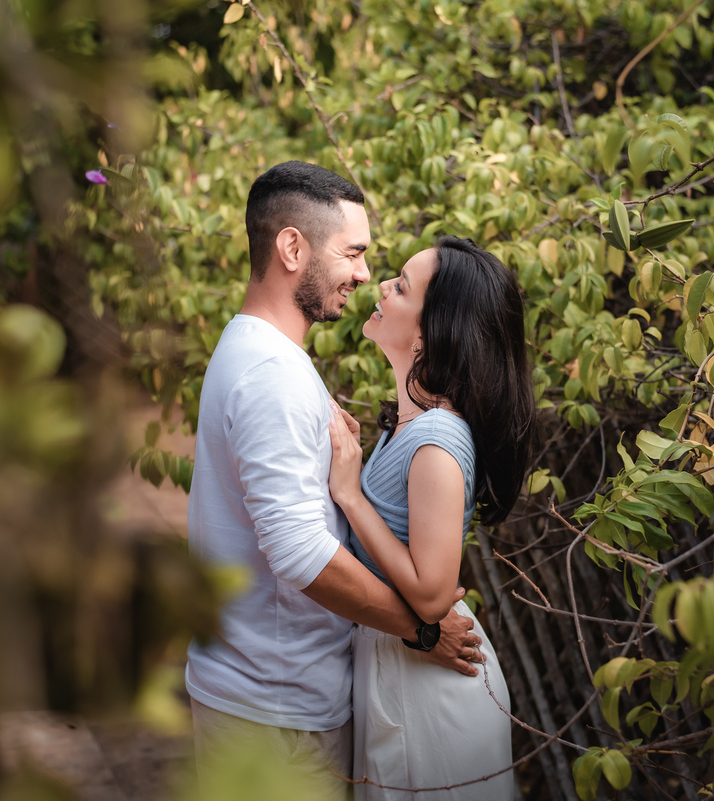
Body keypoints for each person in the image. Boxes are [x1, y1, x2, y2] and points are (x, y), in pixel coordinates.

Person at [185, 162, 485, 800]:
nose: (362, 275)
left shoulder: (262, 354)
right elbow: (298, 551)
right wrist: (420, 628)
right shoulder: (272, 372)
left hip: (267, 694)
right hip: (274, 713)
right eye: (353, 253)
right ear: (292, 248)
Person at [328, 236, 536, 801]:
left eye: (400, 286)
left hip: (431, 689)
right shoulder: (413, 428)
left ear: (428, 332)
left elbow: (431, 592)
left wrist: (351, 497)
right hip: (405, 666)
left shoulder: (439, 440)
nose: (380, 288)